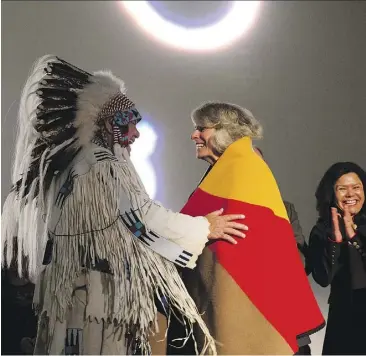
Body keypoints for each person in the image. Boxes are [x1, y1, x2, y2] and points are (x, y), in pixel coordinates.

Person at [1, 56, 248, 355]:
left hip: (73, 294)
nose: (135, 133)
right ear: (109, 124)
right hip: (96, 295)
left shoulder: (76, 165)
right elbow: (141, 215)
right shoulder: (105, 165)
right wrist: (203, 226)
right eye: (129, 122)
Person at [167, 101, 325, 355]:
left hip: (248, 322)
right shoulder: (219, 180)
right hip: (214, 318)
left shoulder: (242, 174)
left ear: (223, 131)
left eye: (201, 128)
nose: (194, 135)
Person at [254, 146, 311, 355]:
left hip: (289, 325)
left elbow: (302, 264)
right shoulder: (218, 210)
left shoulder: (284, 209)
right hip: (243, 326)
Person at [308, 162, 366, 355]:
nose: (350, 194)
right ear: (331, 194)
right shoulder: (322, 231)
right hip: (344, 318)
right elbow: (323, 278)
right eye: (342, 189)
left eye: (356, 187)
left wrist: (355, 238)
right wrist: (335, 240)